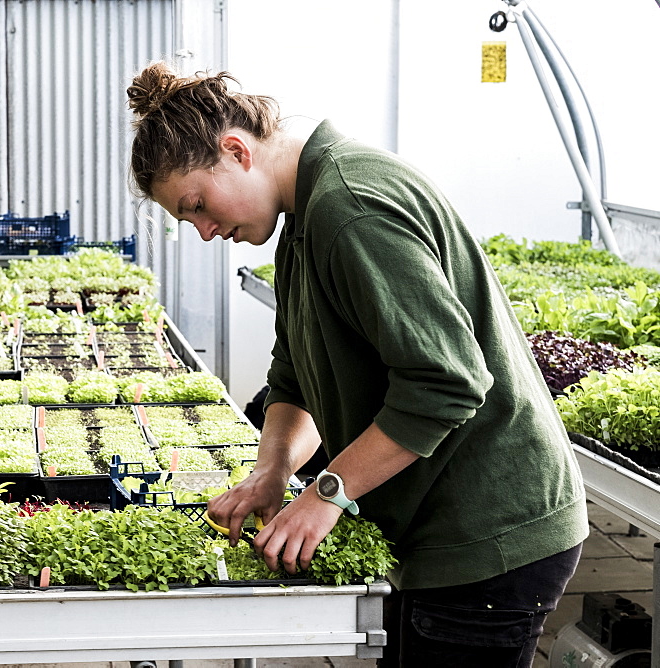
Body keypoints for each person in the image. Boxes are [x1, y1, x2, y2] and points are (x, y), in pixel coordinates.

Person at [127, 62, 588, 668]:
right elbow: (294, 372)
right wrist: (271, 472)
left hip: (488, 528)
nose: (206, 231)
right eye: (188, 221)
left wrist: (327, 493)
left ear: (235, 151)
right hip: (434, 522)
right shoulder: (302, 217)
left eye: (197, 206)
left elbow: (446, 382)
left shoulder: (351, 208)